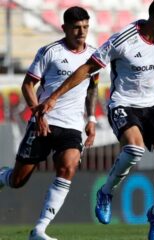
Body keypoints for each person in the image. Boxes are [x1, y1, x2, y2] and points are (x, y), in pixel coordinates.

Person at [34, 1, 154, 239]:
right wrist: (53, 97)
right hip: (123, 103)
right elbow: (87, 68)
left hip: (153, 105)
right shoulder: (123, 40)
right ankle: (106, 192)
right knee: (134, 149)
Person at [0, 6, 98, 240]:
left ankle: (40, 230)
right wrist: (39, 116)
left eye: (85, 27)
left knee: (68, 167)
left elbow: (92, 88)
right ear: (64, 28)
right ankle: (3, 176)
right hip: (45, 121)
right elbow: (27, 85)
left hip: (72, 125)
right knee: (18, 181)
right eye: (76, 27)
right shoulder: (50, 52)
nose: (81, 32)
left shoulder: (94, 55)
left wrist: (91, 118)